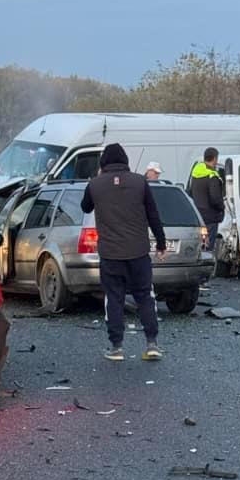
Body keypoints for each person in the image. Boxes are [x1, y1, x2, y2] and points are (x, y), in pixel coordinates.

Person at [81, 143, 166, 362]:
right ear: (125, 161)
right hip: (138, 252)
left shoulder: (95, 184)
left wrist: (99, 178)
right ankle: (152, 343)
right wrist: (161, 243)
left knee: (114, 298)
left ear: (103, 164)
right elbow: (153, 214)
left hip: (110, 255)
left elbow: (85, 207)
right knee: (145, 296)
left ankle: (116, 347)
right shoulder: (140, 182)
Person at [189, 148, 225, 252]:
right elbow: (215, 198)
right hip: (210, 216)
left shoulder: (196, 173)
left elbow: (191, 193)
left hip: (198, 215)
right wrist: (222, 207)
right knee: (208, 247)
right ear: (214, 158)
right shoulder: (212, 176)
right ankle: (207, 266)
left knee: (202, 244)